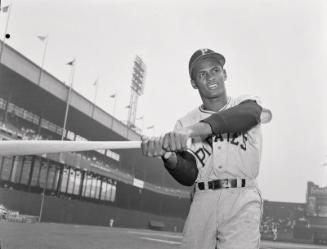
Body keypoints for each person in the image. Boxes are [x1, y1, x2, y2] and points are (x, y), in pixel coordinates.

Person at [141, 48, 272, 249]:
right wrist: (167, 155)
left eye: (215, 70)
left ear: (224, 74)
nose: (211, 77)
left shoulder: (245, 103)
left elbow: (248, 115)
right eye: (202, 74)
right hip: (203, 200)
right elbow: (189, 174)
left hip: (242, 196)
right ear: (194, 83)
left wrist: (192, 131)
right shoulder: (184, 122)